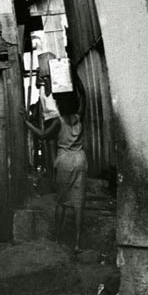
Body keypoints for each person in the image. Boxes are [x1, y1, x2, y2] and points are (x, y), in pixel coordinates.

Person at [24, 78, 88, 252]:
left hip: (65, 160)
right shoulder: (79, 116)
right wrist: (77, 80)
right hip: (81, 159)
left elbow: (43, 135)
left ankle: (58, 239)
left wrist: (28, 123)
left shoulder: (58, 121)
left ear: (59, 105)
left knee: (62, 201)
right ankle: (77, 243)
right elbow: (83, 98)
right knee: (78, 203)